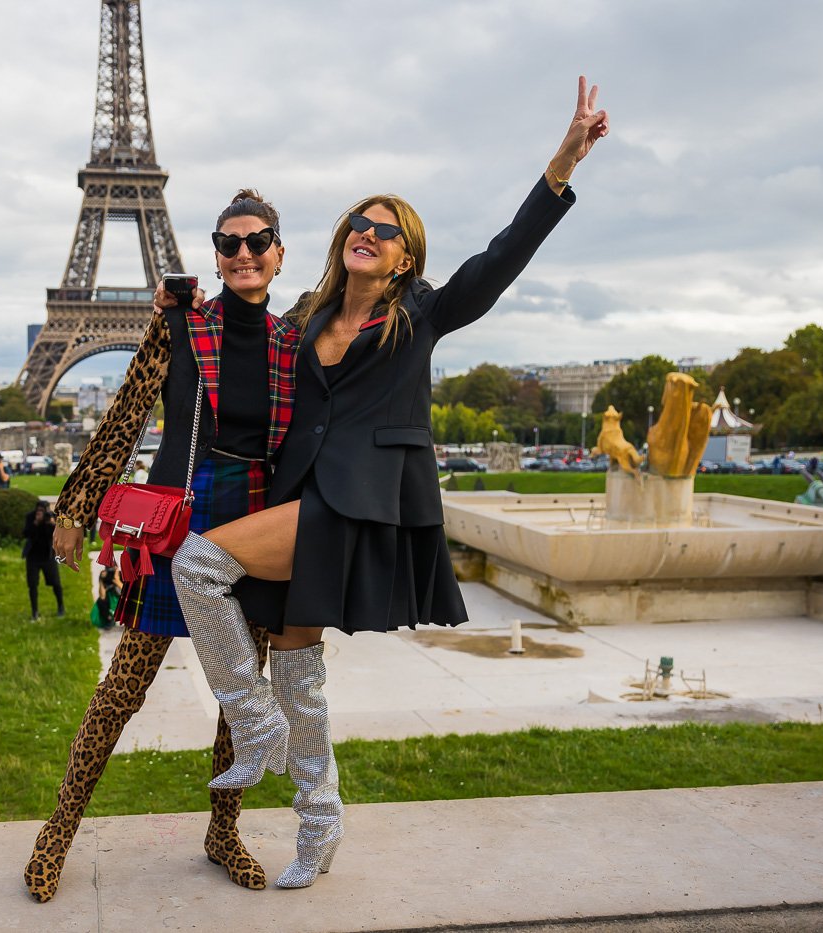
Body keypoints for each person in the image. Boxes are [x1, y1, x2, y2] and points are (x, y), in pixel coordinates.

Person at [168, 77, 606, 890]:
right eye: (360, 224)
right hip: (300, 494)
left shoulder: (425, 313)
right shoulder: (304, 314)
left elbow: (502, 255)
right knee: (300, 667)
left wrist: (561, 164)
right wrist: (187, 314)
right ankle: (320, 823)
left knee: (197, 564)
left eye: (387, 230)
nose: (369, 234)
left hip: (358, 500)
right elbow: (245, 354)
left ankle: (248, 719)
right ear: (342, 239)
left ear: (407, 255)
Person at [29, 188, 301, 903]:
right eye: (229, 242)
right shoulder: (179, 325)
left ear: (278, 252)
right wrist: (77, 504)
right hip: (178, 523)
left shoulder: (289, 342)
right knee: (121, 691)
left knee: (238, 698)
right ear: (215, 253)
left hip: (250, 525)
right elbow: (124, 416)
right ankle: (57, 831)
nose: (243, 252)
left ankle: (223, 829)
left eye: (257, 240)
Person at [21, 501, 65, 620]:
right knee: (32, 584)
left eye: (42, 510)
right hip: (33, 556)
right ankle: (34, 611)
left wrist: (52, 524)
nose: (40, 513)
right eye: (38, 510)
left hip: (48, 556)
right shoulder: (30, 517)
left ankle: (61, 606)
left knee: (56, 583)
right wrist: (35, 523)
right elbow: (25, 534)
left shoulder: (52, 517)